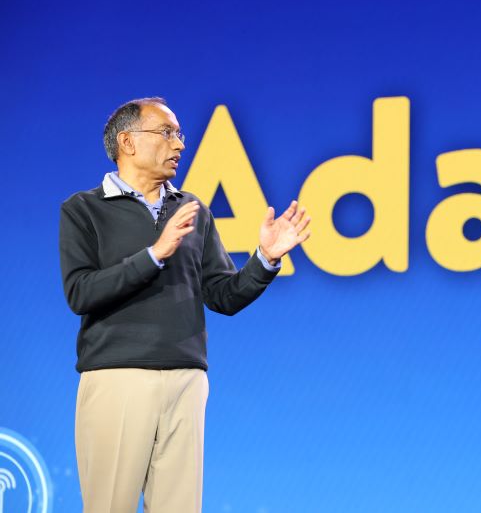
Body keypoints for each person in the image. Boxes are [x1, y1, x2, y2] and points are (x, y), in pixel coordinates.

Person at [59, 97, 310, 512]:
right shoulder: (84, 210)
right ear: (128, 141)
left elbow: (223, 296)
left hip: (186, 381)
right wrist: (154, 254)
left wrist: (265, 259)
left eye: (180, 134)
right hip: (118, 378)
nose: (179, 144)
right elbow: (80, 292)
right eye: (167, 132)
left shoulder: (193, 210)